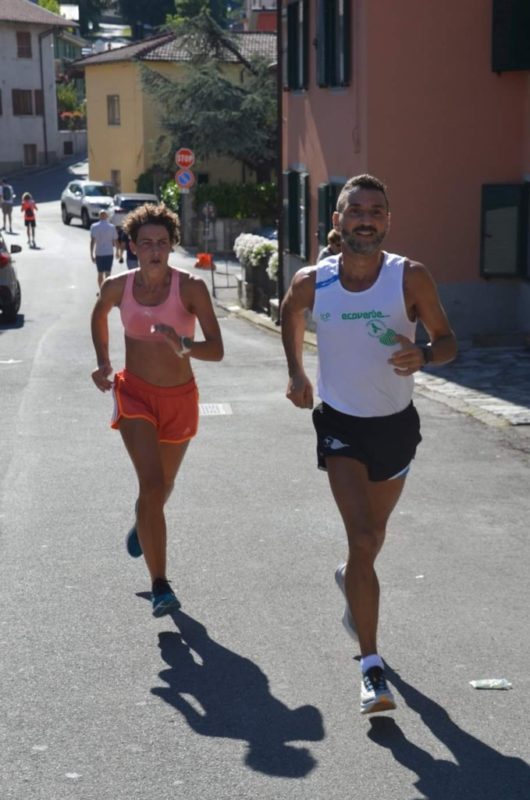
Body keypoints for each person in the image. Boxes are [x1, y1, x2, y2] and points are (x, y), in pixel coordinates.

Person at [280, 174, 457, 715]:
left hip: (395, 427)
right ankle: (371, 668)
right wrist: (296, 372)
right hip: (340, 423)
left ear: (387, 221)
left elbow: (448, 342)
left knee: (371, 540)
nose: (365, 219)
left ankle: (349, 580)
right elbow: (289, 311)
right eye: (355, 210)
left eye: (375, 211)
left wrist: (425, 355)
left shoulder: (410, 277)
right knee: (361, 536)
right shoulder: (314, 281)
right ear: (337, 220)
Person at [90, 203, 224, 617]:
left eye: (162, 243)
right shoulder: (118, 286)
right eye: (146, 243)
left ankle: (142, 523)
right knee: (151, 486)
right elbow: (98, 315)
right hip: (135, 395)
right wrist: (103, 362)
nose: (154, 250)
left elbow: (217, 350)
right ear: (132, 246)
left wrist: (182, 344)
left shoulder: (191, 288)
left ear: (171, 246)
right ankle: (160, 584)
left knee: (162, 488)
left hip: (179, 398)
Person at [90, 209, 118, 290]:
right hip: (109, 253)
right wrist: (117, 251)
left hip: (99, 253)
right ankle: (107, 290)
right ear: (107, 216)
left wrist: (91, 254)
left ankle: (101, 290)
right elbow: (115, 240)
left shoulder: (94, 226)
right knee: (108, 273)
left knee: (100, 273)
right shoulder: (112, 227)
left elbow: (92, 241)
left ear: (99, 216)